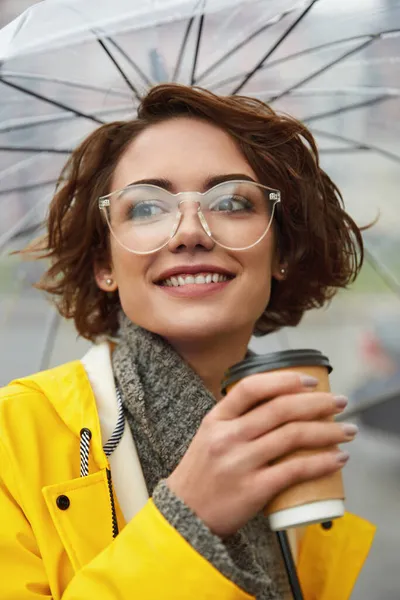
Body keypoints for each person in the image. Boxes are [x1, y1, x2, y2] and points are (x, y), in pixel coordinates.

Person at [0, 84, 374, 600]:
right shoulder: (12, 436)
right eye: (147, 208)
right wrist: (186, 520)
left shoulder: (292, 437)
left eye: (231, 201)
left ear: (281, 250)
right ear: (105, 264)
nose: (190, 232)